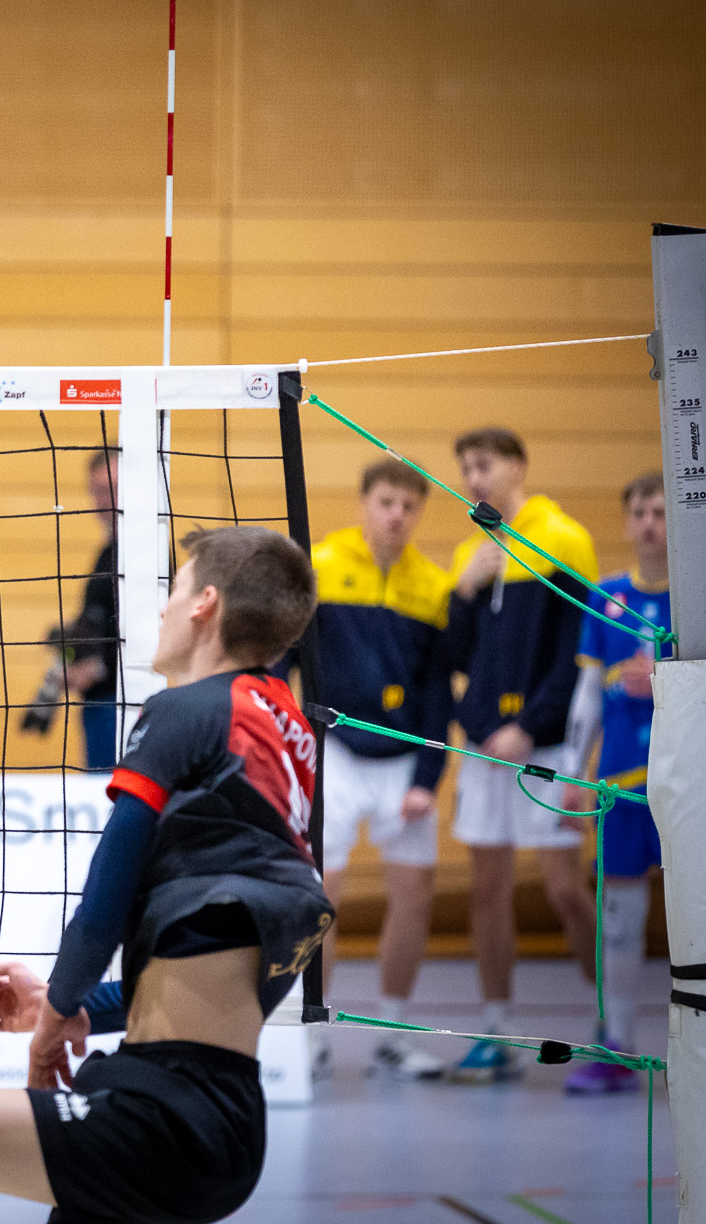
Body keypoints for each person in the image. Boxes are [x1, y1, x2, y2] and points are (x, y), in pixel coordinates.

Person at [0, 526, 331, 1224]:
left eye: (174, 588)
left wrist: (56, 1010)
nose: (162, 607)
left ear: (205, 603)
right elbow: (212, 962)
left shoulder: (186, 711)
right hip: (216, 1110)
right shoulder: (285, 732)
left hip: (162, 1115)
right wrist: (80, 1010)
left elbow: (103, 900)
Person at [441, 426, 599, 1084]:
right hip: (486, 749)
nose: (473, 479)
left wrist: (529, 727)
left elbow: (575, 654)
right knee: (487, 888)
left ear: (517, 466)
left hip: (548, 744)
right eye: (466, 468)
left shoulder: (562, 538)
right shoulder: (472, 552)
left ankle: (611, 1021)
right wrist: (464, 591)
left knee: (564, 887)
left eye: (483, 465)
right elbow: (455, 659)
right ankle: (497, 1029)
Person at [309, 458, 454, 1079]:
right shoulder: (319, 566)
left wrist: (427, 778)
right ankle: (312, 1038)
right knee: (319, 899)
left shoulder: (434, 588)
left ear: (419, 513)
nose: (397, 514)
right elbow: (287, 662)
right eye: (386, 502)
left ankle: (392, 1036)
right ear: (364, 503)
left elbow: (439, 693)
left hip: (404, 760)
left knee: (414, 895)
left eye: (408, 506)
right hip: (334, 753)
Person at [562, 471, 670, 1094]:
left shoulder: (697, 594)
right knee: (621, 920)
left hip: (687, 790)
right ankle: (617, 1044)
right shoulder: (606, 597)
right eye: (640, 513)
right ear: (627, 522)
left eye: (661, 512)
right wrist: (573, 773)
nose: (650, 523)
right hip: (622, 787)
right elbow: (585, 694)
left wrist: (669, 683)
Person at [21, 449, 121, 769]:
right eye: (98, 490)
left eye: (113, 489)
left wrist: (97, 668)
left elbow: (147, 631)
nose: (104, 500)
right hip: (99, 703)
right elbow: (100, 624)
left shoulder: (145, 551)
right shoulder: (107, 553)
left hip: (121, 704)